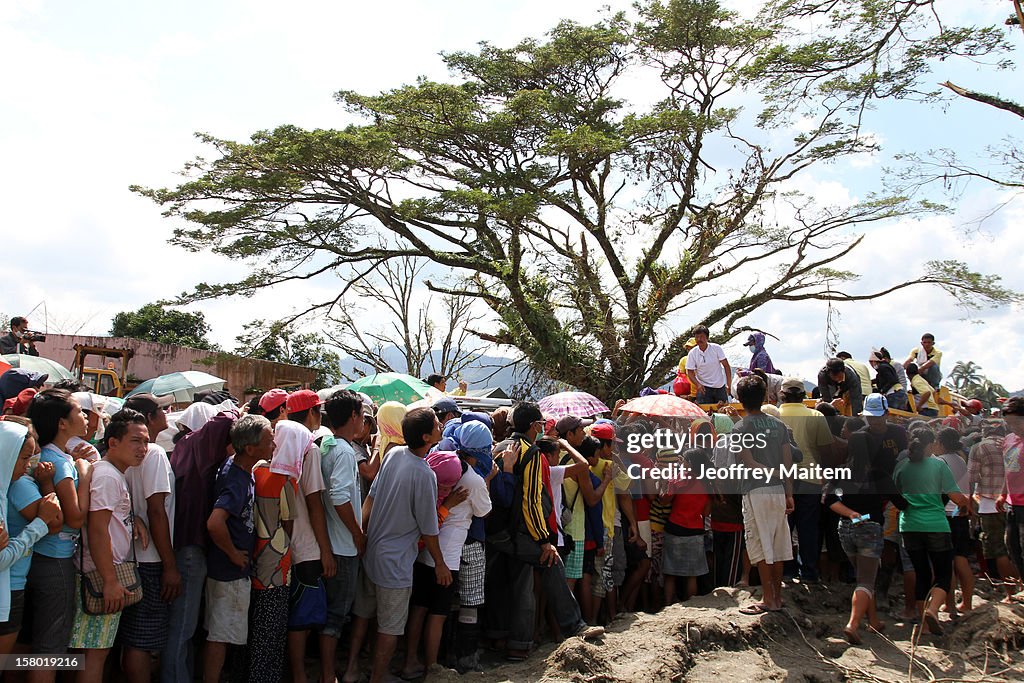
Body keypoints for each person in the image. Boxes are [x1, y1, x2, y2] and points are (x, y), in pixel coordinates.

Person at [344, 408, 447, 683]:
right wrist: (440, 563)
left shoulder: (393, 455)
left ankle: (352, 668)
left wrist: (362, 535)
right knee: (390, 626)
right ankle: (378, 677)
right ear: (427, 437)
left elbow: (371, 498)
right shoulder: (425, 474)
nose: (441, 426)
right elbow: (429, 529)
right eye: (437, 424)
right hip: (395, 563)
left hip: (372, 552)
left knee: (362, 614)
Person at [68, 409, 149, 683]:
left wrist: (133, 519)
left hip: (101, 573)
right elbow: (98, 529)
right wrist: (110, 581)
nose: (143, 449)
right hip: (100, 576)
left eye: (146, 441)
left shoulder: (111, 473)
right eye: (136, 441)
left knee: (90, 653)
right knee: (95, 655)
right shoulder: (107, 476)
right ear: (113, 443)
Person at [163, 407, 238, 683]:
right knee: (183, 625)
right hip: (191, 546)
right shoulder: (202, 446)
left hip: (186, 543)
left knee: (186, 625)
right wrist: (235, 412)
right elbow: (223, 422)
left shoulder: (184, 445)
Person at [24, 389, 93, 676]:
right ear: (62, 423)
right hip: (55, 561)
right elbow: (75, 518)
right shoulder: (64, 463)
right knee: (50, 647)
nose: (85, 416)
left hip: (42, 557)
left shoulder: (53, 455)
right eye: (79, 411)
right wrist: (87, 473)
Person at [824, 394, 902, 644]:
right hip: (869, 526)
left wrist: (850, 514)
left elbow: (827, 500)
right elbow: (902, 503)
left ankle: (874, 620)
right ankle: (853, 624)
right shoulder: (881, 475)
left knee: (863, 575)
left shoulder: (842, 470)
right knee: (867, 580)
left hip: (845, 529)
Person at [119, 393, 178, 683]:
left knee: (133, 637)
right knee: (141, 638)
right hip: (151, 558)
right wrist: (169, 565)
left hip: (135, 555)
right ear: (150, 418)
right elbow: (156, 510)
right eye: (161, 409)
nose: (167, 412)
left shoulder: (131, 452)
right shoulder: (152, 452)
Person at [203, 414, 263, 683]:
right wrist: (232, 553)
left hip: (226, 569)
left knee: (221, 632)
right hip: (229, 571)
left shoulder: (235, 466)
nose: (274, 446)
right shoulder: (236, 479)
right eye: (269, 440)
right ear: (250, 448)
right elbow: (215, 523)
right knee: (220, 635)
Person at [893, 429, 969, 636]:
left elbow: (893, 492)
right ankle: (933, 610)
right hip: (936, 525)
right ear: (931, 444)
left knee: (922, 574)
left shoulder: (901, 466)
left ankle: (924, 626)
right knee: (943, 574)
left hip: (909, 526)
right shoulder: (938, 465)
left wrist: (905, 506)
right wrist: (965, 505)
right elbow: (955, 496)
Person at [282, 389, 335, 683]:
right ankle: (300, 674)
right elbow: (314, 503)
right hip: (306, 544)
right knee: (302, 617)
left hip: (283, 542)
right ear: (312, 413)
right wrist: (325, 550)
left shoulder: (278, 440)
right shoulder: (309, 448)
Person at [0, 416, 62, 653]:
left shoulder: (6, 488)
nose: (28, 465)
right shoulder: (15, 487)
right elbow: (2, 559)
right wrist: (41, 522)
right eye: (24, 457)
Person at [733, 375, 793, 615]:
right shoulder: (779, 426)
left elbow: (747, 461)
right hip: (778, 490)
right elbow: (787, 462)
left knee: (761, 544)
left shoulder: (740, 428)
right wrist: (788, 492)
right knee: (777, 544)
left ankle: (767, 599)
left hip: (755, 490)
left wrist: (767, 473)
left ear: (740, 399)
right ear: (765, 394)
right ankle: (777, 597)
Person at [318, 390, 365, 683]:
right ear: (352, 416)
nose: (363, 421)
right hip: (342, 546)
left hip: (332, 542)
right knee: (336, 616)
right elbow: (338, 496)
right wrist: (357, 533)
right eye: (361, 415)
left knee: (334, 614)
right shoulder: (345, 451)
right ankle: (327, 675)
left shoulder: (328, 444)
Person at [778, 378, 836, 583]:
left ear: (782, 394)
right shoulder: (816, 416)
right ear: (803, 395)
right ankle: (809, 573)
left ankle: (787, 571)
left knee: (784, 527)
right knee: (808, 528)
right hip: (811, 478)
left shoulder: (776, 416)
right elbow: (827, 451)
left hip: (782, 480)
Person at [967, 421, 1020, 598]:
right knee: (1016, 549)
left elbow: (971, 478)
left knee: (999, 550)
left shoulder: (979, 447)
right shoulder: (1012, 444)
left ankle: (1011, 593)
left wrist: (969, 501)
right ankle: (1020, 588)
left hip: (989, 504)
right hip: (1013, 502)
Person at [662, 448, 710, 604]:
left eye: (683, 461)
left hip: (674, 527)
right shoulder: (707, 484)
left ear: (689, 463)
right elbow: (707, 511)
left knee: (670, 573)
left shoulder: (677, 479)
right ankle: (691, 605)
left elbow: (665, 499)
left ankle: (668, 604)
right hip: (695, 530)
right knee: (692, 574)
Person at [934, 427, 974, 614]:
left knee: (946, 563)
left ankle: (949, 604)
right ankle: (967, 603)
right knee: (961, 559)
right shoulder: (960, 459)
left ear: (941, 443)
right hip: (961, 514)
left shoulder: (940, 461)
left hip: (945, 515)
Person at [999, 397, 1024, 588]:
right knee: (1013, 546)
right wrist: (1002, 493)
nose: (1013, 426)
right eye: (1009, 423)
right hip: (1013, 503)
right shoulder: (1009, 441)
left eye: (1016, 421)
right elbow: (1010, 469)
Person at [685, 325, 732, 404]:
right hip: (703, 389)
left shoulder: (716, 348)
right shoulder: (693, 353)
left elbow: (726, 366)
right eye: (697, 337)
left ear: (707, 338)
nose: (699, 339)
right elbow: (689, 372)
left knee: (723, 413)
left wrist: (728, 384)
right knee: (704, 414)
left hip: (719, 387)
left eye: (701, 337)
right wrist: (698, 384)